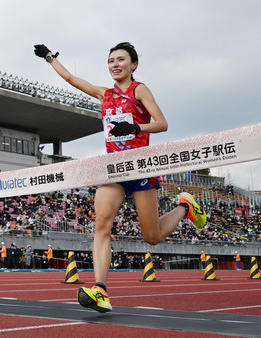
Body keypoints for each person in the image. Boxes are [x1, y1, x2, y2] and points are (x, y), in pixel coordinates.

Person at [34, 42, 206, 313]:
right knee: (101, 223)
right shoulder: (104, 94)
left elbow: (162, 123)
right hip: (114, 169)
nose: (115, 64)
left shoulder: (140, 90)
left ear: (133, 65)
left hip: (139, 167)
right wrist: (49, 58)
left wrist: (136, 126)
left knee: (152, 236)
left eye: (121, 60)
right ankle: (100, 289)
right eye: (111, 60)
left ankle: (185, 206)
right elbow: (71, 79)